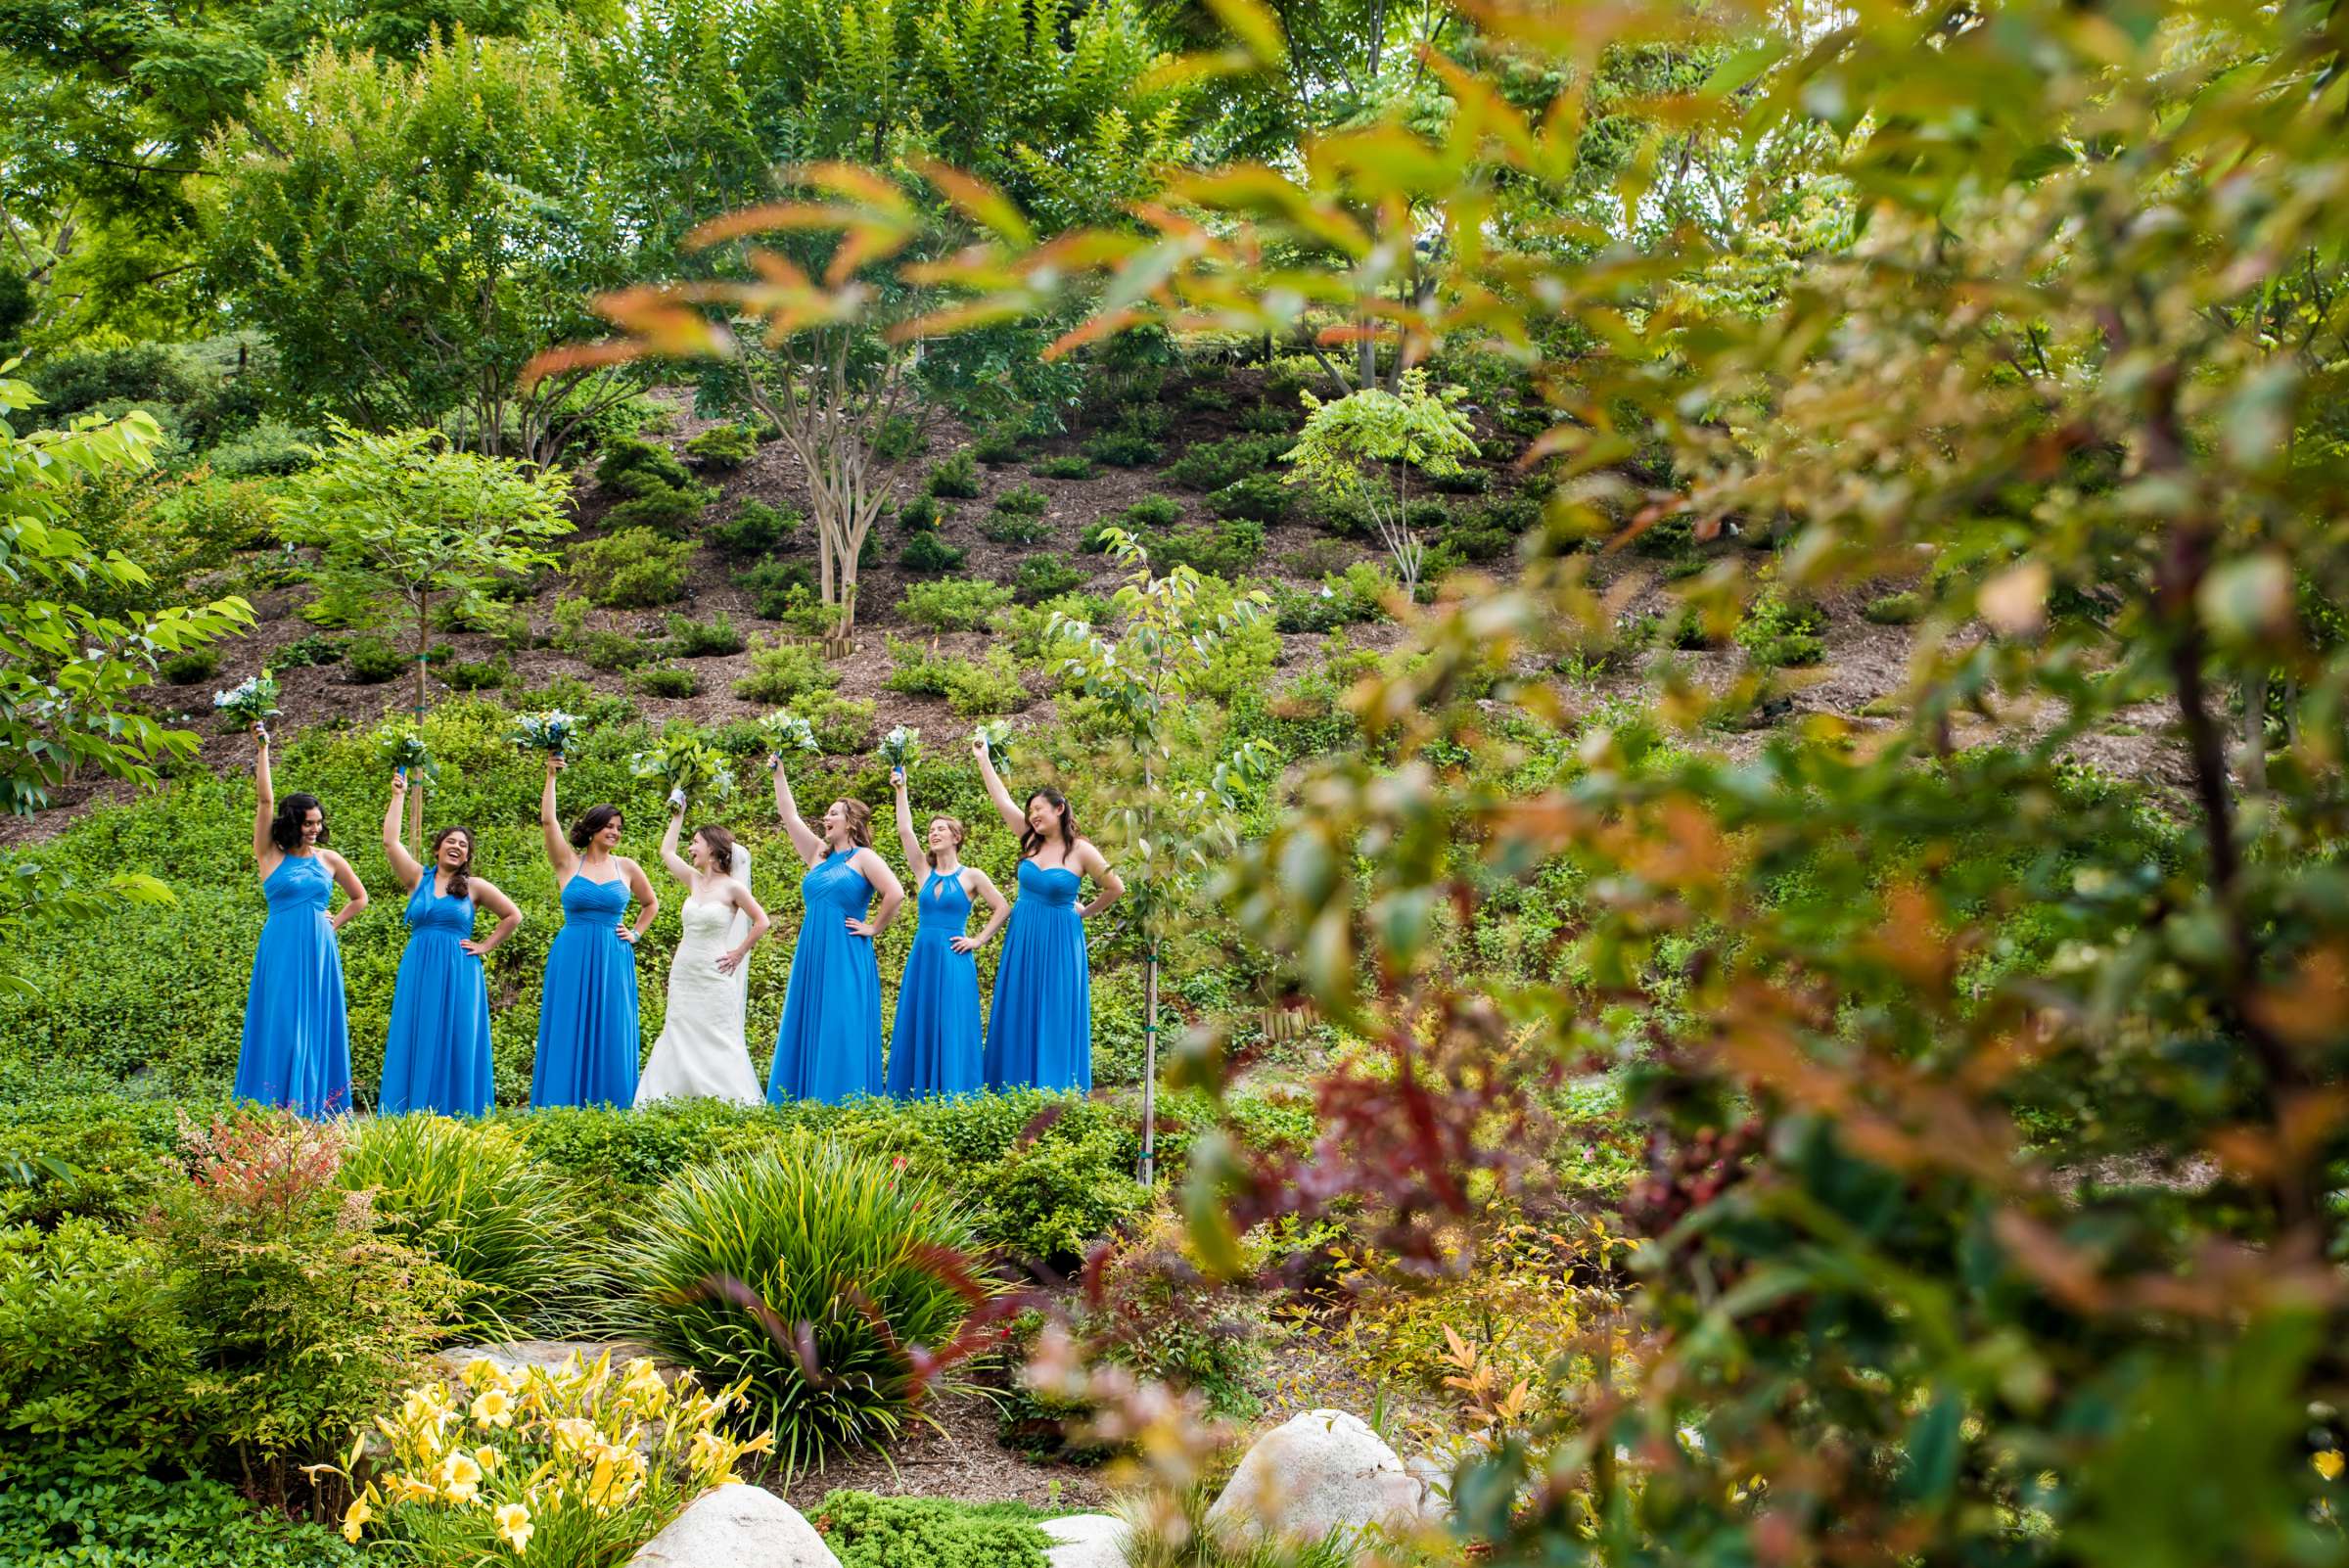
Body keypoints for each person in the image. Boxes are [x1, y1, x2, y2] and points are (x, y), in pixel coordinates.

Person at [973, 734, 1123, 1093]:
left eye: (1038, 809)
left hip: (1060, 937)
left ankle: (1055, 1089)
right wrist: (983, 759)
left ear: (1059, 809)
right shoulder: (1030, 841)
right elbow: (1002, 800)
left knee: (1054, 1009)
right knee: (1019, 1006)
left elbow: (1115, 887)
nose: (1032, 816)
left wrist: (1085, 912)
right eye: (1030, 812)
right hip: (1024, 934)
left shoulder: (1081, 851)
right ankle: (1011, 1087)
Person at [237, 727, 367, 1117]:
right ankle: (275, 1102)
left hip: (318, 948)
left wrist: (333, 923)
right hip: (281, 944)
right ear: (294, 822)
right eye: (309, 823)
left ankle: (313, 1103)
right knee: (282, 1019)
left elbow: (359, 898)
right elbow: (265, 799)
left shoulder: (330, 859)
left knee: (315, 1020)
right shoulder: (269, 854)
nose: (315, 829)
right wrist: (263, 748)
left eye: (319, 823)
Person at [377, 774, 521, 1116]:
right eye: (451, 842)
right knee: (417, 1031)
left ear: (468, 855)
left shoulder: (475, 887)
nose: (457, 847)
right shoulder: (416, 879)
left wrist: (485, 946)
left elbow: (512, 916)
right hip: (420, 965)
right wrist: (398, 796)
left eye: (464, 845)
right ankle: (411, 1111)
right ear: (438, 847)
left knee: (458, 1036)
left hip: (460, 968)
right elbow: (390, 843)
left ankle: (457, 1110)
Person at [764, 751, 903, 1104]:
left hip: (845, 948)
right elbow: (789, 816)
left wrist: (873, 927)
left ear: (851, 822)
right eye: (826, 813)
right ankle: (802, 1098)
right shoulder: (817, 855)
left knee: (841, 1020)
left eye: (833, 813)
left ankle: (842, 1099)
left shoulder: (864, 858)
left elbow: (895, 893)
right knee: (808, 1017)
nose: (826, 818)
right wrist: (779, 774)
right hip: (813, 947)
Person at [531, 757, 657, 1108]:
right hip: (572, 952)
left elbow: (650, 904)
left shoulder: (627, 866)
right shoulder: (568, 862)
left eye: (618, 827)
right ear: (592, 828)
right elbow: (548, 821)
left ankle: (611, 1103)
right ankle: (560, 1103)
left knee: (611, 1026)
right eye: (608, 826)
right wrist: (551, 776)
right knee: (568, 1023)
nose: (614, 832)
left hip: (613, 954)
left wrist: (636, 934)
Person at [635, 792, 770, 1106]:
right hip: (685, 970)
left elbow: (762, 921)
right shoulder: (694, 881)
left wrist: (738, 953)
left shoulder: (733, 888)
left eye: (696, 842)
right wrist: (677, 815)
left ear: (712, 848)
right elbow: (666, 851)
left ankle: (726, 1100)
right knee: (678, 1029)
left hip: (714, 970)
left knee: (717, 1035)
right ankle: (668, 1097)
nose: (691, 847)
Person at [885, 767, 1008, 1099]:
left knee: (952, 1021)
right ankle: (916, 1091)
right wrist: (902, 789)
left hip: (955, 956)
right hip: (923, 955)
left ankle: (955, 1091)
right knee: (920, 1018)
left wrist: (978, 940)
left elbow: (1003, 907)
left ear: (957, 837)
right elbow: (904, 831)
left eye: (941, 829)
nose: (934, 833)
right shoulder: (923, 872)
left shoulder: (973, 876)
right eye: (932, 830)